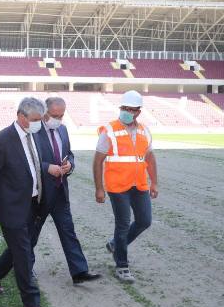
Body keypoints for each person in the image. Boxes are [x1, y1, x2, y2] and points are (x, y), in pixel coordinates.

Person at [0, 97, 50, 307]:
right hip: (11, 207)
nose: (39, 124)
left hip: (32, 204)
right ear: (21, 117)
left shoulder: (34, 135)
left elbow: (34, 165)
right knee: (24, 255)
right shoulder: (1, 140)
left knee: (21, 248)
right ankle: (31, 303)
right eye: (36, 120)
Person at [32, 97, 101, 284]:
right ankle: (13, 268)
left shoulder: (62, 129)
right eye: (55, 115)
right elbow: (29, 160)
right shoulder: (34, 131)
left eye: (62, 115)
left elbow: (69, 153)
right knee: (31, 235)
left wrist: (69, 164)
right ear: (44, 113)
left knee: (68, 231)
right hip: (40, 194)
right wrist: (48, 167)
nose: (58, 119)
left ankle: (79, 271)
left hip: (60, 190)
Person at [92, 90, 158, 283]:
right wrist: (99, 188)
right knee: (122, 224)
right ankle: (122, 265)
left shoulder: (145, 130)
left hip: (139, 184)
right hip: (117, 185)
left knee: (144, 221)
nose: (127, 112)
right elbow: (98, 161)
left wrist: (154, 182)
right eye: (124, 108)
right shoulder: (109, 130)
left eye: (131, 110)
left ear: (138, 111)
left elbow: (150, 158)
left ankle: (115, 245)